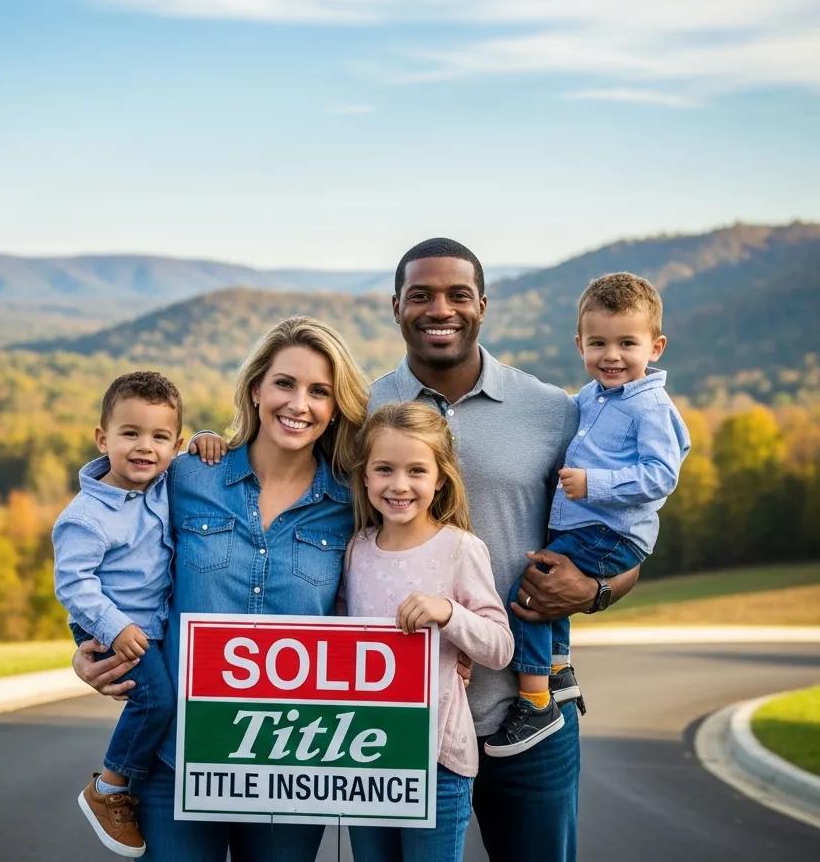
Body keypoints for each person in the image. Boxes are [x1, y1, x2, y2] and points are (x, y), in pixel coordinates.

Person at [368, 237, 643, 862]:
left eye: (458, 295)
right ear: (396, 306)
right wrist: (205, 446)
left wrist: (596, 591)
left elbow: (623, 537)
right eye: (421, 296)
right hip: (395, 717)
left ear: (482, 305)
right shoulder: (361, 410)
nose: (441, 309)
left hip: (531, 707)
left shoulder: (552, 411)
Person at [73, 317, 370, 862]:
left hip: (292, 762)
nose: (298, 403)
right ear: (256, 389)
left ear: (335, 407)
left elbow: (378, 595)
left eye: (319, 391)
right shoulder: (186, 477)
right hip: (180, 756)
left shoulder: (353, 503)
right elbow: (109, 550)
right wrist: (86, 648)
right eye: (285, 383)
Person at [485, 273, 690, 758]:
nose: (611, 355)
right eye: (598, 343)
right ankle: (560, 672)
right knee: (550, 578)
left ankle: (535, 703)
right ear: (580, 344)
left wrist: (593, 483)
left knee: (531, 592)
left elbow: (662, 476)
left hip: (612, 530)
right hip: (588, 526)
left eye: (627, 343)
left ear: (655, 347)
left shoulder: (650, 407)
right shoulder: (591, 397)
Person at [343, 402, 513, 862]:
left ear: (440, 478)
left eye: (416, 470)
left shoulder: (460, 548)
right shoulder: (356, 550)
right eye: (384, 469)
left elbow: (499, 647)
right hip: (363, 756)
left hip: (438, 758)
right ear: (365, 476)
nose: (399, 485)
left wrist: (449, 613)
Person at [52, 371, 185, 857]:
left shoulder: (163, 482)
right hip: (109, 623)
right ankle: (109, 788)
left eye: (159, 437)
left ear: (176, 444)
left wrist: (209, 442)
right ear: (102, 438)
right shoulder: (86, 516)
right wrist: (116, 626)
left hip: (150, 626)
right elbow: (73, 584)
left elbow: (195, 457)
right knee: (155, 701)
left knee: (167, 701)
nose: (144, 447)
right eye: (130, 433)